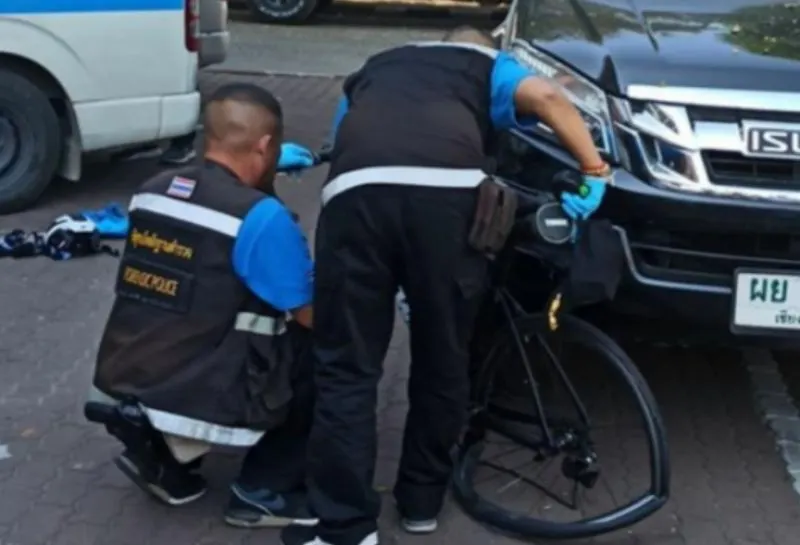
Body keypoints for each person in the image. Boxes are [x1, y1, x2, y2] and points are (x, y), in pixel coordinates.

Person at [281, 27, 613, 545]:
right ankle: (421, 502)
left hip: (356, 198)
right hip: (448, 203)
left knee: (347, 369)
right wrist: (595, 169)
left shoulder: (375, 67)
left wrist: (318, 157)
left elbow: (344, 138)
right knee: (444, 358)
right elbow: (548, 97)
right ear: (483, 46)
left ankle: (345, 527)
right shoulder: (487, 65)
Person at [92, 82, 319, 528]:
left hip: (126, 372)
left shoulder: (151, 191)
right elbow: (309, 313)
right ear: (265, 146)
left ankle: (165, 462)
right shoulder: (258, 217)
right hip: (205, 389)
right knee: (327, 346)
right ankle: (263, 490)